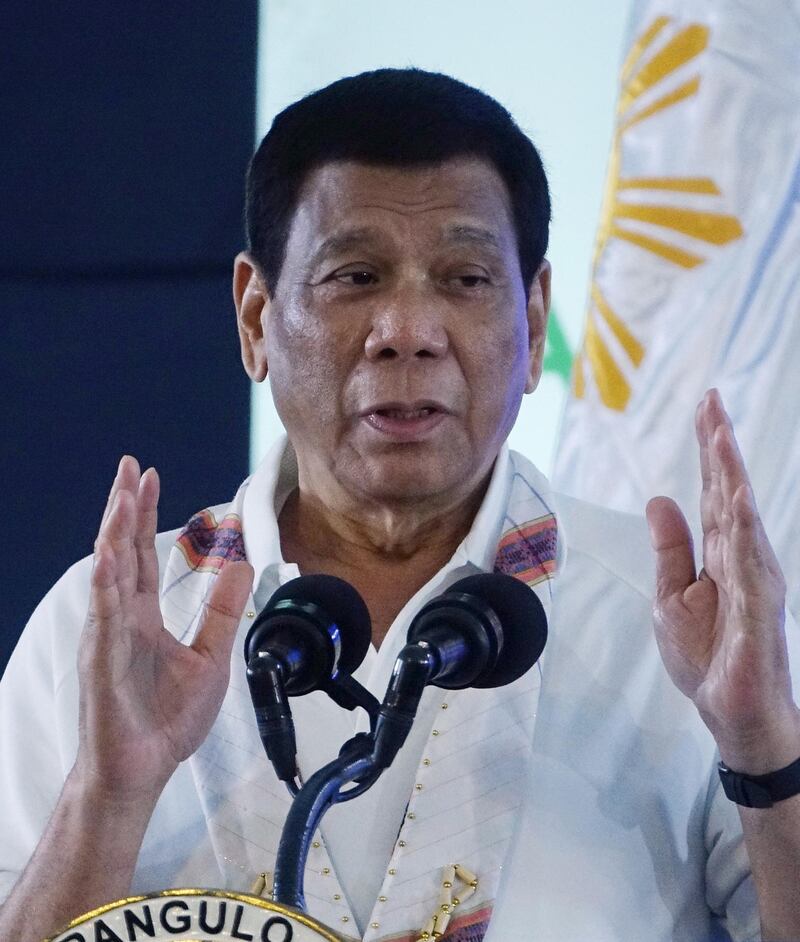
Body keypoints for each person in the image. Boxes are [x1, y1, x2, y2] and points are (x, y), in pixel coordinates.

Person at [1, 68, 799, 942]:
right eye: (355, 275)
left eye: (463, 279)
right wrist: (109, 797)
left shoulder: (689, 631)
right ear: (256, 318)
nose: (407, 329)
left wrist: (764, 745)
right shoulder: (105, 632)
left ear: (535, 326)